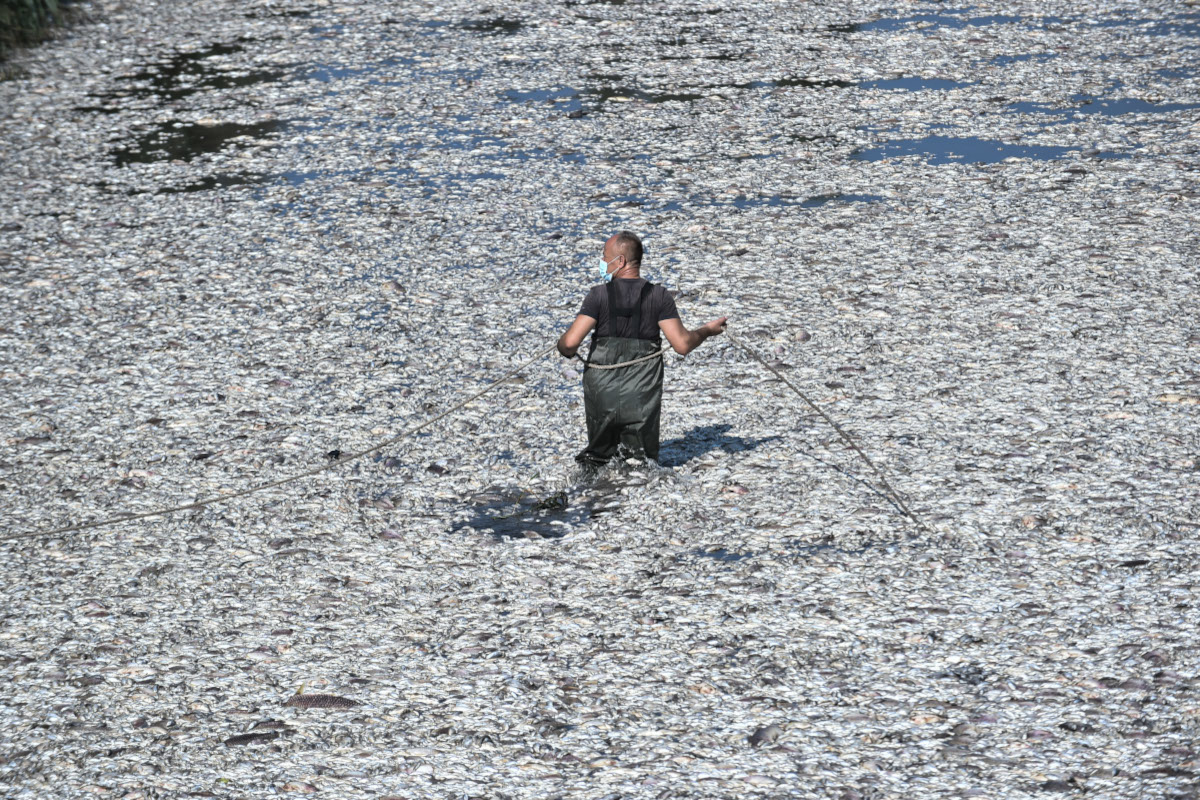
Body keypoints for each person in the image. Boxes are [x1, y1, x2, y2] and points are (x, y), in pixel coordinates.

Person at [557, 231, 728, 467]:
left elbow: (569, 344)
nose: (602, 263)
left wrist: (561, 347)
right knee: (641, 464)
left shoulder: (598, 295)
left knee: (598, 460)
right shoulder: (659, 296)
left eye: (605, 257)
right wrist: (707, 330)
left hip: (602, 393)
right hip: (641, 394)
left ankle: (593, 498)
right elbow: (682, 344)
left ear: (621, 261)